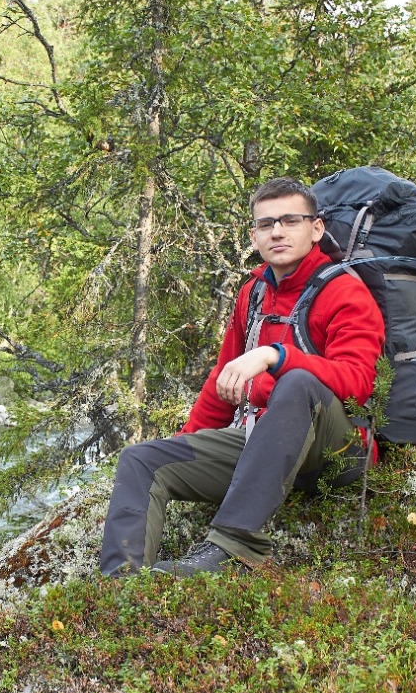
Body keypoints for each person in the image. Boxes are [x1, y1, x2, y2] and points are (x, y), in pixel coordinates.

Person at [99, 176, 385, 578]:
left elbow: (358, 382)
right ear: (254, 235)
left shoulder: (345, 293)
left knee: (298, 383)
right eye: (266, 224)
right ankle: (120, 584)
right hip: (264, 447)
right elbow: (223, 380)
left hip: (337, 454)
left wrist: (276, 356)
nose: (278, 232)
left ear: (316, 229)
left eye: (291, 220)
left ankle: (233, 546)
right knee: (141, 460)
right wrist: (186, 449)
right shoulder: (253, 291)